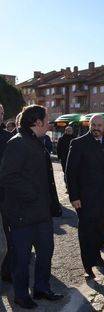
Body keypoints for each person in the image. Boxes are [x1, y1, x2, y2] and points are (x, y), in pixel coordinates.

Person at [0, 105, 63, 309]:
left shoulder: (37, 142)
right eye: (47, 120)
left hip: (42, 213)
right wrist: (34, 194)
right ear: (37, 123)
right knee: (21, 258)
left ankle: (41, 288)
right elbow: (8, 177)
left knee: (46, 252)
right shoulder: (17, 143)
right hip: (22, 215)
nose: (49, 124)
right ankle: (21, 294)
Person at [66, 114, 104, 279]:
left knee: (98, 230)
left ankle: (96, 257)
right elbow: (70, 173)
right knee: (86, 232)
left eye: (99, 125)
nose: (96, 128)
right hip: (85, 198)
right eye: (93, 125)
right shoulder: (78, 143)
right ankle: (87, 266)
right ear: (89, 125)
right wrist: (74, 197)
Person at [0, 104, 13, 286]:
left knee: (8, 237)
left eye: (2, 113)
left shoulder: (9, 138)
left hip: (5, 195)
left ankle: (6, 271)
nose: (1, 116)